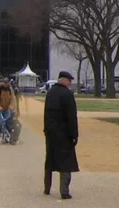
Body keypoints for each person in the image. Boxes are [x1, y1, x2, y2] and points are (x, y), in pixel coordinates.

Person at [43, 71, 80, 199]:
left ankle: (47, 188)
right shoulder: (67, 94)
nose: (70, 84)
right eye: (69, 81)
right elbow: (71, 117)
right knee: (66, 162)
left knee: (50, 160)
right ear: (64, 80)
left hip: (51, 132)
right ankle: (64, 191)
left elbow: (46, 113)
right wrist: (74, 134)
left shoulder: (50, 93)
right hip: (64, 133)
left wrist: (46, 130)